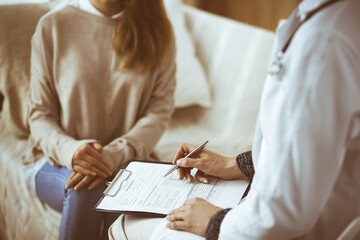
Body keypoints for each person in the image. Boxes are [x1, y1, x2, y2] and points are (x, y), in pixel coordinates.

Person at [110, 0, 360, 239]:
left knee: (124, 225)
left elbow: (286, 209)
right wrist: (236, 165)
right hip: (288, 211)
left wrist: (215, 222)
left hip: (285, 229)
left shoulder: (322, 44)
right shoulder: (338, 17)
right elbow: (312, 149)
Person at [23, 0, 176, 239]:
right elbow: (39, 115)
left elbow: (157, 115)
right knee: (85, 189)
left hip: (128, 163)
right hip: (58, 161)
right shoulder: (52, 26)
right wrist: (73, 151)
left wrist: (112, 155)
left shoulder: (158, 31)